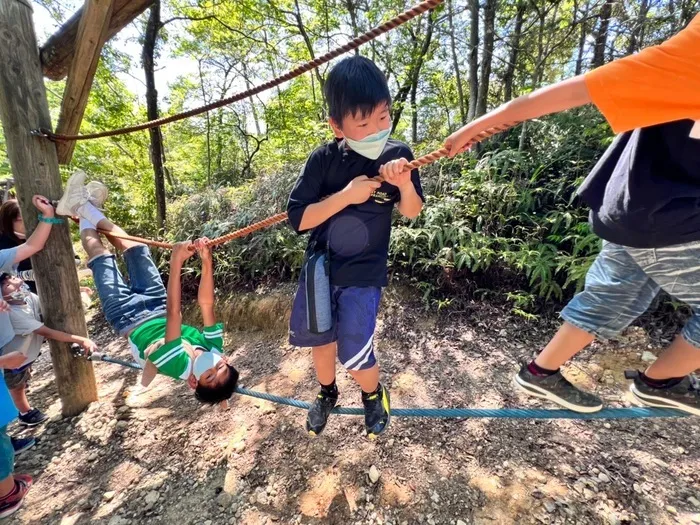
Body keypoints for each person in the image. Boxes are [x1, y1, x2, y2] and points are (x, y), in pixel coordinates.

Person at [442, 17, 700, 416]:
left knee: (611, 295)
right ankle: (662, 381)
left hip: (632, 210)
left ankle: (540, 371)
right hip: (670, 217)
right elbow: (584, 89)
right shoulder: (694, 53)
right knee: (613, 295)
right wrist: (481, 126)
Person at [287, 55, 424, 438]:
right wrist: (345, 196)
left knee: (354, 346)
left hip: (365, 271)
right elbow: (299, 219)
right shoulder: (323, 160)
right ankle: (326, 393)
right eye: (362, 124)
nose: (376, 130)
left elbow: (412, 212)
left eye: (383, 118)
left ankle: (372, 394)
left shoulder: (399, 154)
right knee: (321, 338)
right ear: (337, 126)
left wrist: (405, 185)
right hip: (321, 267)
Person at [55, 171, 239, 405]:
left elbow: (176, 314)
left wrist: (176, 261)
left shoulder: (178, 365)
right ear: (224, 358)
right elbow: (206, 304)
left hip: (127, 316)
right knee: (135, 247)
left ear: (193, 381)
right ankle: (85, 206)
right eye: (221, 366)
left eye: (210, 376)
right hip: (157, 305)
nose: (213, 367)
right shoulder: (213, 346)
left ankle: (83, 207)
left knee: (101, 256)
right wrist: (206, 261)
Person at [0, 194, 56, 518]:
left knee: (2, 415)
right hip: (8, 344)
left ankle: (7, 457)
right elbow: (29, 248)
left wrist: (47, 218)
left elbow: (31, 249)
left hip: (11, 336)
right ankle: (7, 493)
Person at [1, 273, 98, 426]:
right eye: (6, 285)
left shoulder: (27, 297)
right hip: (12, 359)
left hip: (27, 354)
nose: (14, 282)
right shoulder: (12, 313)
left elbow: (49, 303)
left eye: (12, 278)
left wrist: (75, 290)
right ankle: (25, 413)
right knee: (16, 385)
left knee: (24, 379)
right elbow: (47, 332)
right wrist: (81, 340)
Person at [0, 200, 88, 294]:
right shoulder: (4, 246)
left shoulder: (44, 233)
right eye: (23, 220)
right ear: (9, 221)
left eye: (33, 217)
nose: (31, 222)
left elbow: (75, 260)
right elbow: (8, 279)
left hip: (58, 290)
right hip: (29, 298)